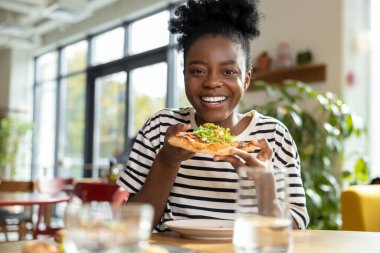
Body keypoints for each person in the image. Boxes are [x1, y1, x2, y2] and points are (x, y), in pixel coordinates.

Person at [117, 0, 309, 231]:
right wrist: (166, 161)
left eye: (228, 71)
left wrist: (262, 184)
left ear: (246, 80)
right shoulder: (160, 127)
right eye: (198, 71)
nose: (212, 83)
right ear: (185, 76)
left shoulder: (274, 136)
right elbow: (128, 225)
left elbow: (296, 230)